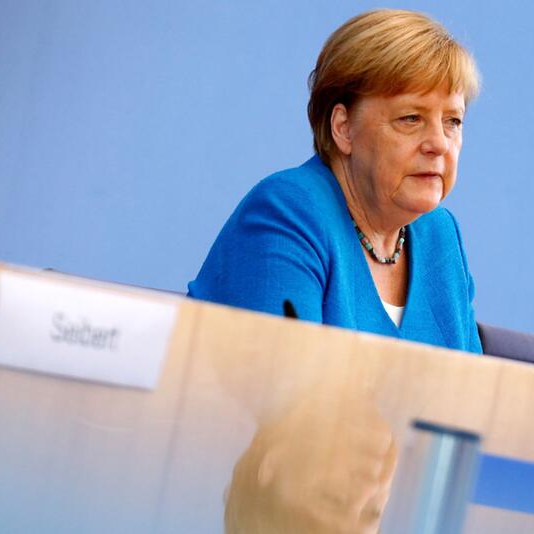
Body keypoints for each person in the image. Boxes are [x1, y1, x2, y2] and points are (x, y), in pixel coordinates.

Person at [188, 9, 482, 353]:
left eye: (453, 121)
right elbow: (283, 396)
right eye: (411, 118)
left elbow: (471, 398)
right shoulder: (289, 213)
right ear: (343, 128)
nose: (439, 144)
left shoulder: (440, 234)